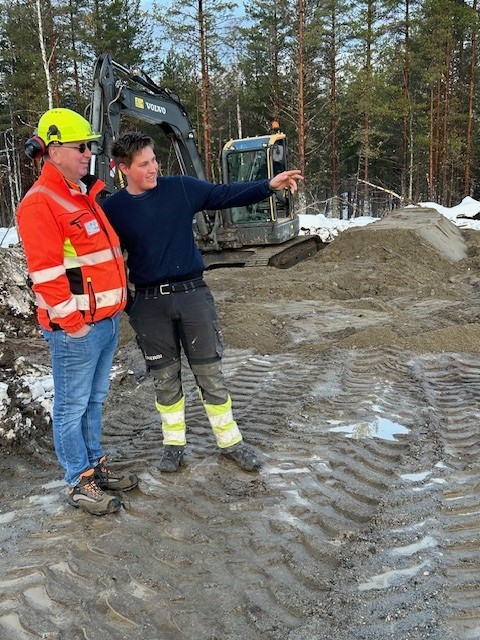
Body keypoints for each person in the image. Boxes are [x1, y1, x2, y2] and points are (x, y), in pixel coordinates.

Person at [102, 131, 304, 473]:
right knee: (164, 379)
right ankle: (173, 446)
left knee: (210, 374)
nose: (153, 168)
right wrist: (127, 303)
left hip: (193, 295)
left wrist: (268, 185)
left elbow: (224, 194)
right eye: (143, 164)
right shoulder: (113, 209)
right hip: (149, 305)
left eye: (154, 160)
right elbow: (107, 257)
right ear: (122, 168)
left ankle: (230, 442)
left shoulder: (179, 187)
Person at [16, 108, 138, 516]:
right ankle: (78, 480)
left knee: (95, 401)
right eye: (80, 146)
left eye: (90, 146)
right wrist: (73, 326)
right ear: (53, 151)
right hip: (77, 330)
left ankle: (95, 464)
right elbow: (48, 277)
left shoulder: (81, 195)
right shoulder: (41, 203)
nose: (89, 153)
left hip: (105, 321)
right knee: (72, 405)